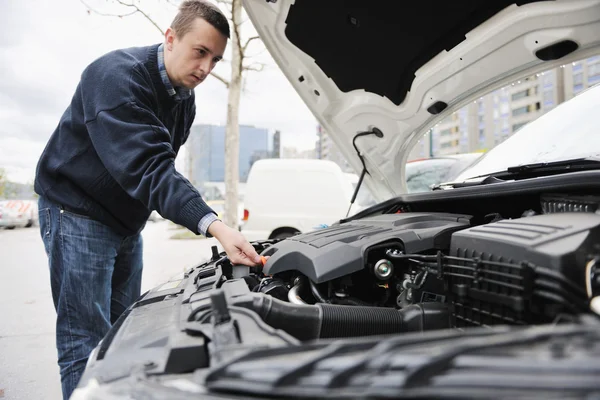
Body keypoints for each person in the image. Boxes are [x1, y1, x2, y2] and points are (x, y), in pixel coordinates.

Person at [33, 1, 261, 398]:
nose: (207, 68)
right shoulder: (115, 78)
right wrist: (215, 225)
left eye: (216, 59)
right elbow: (149, 169)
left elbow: (159, 169)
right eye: (200, 52)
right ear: (170, 38)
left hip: (125, 224)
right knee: (85, 342)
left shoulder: (183, 98)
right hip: (77, 213)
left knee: (127, 338)